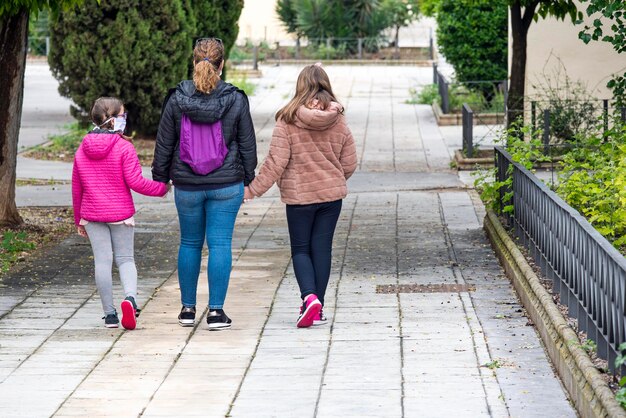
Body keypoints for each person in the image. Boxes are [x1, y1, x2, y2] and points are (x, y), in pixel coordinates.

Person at [152, 37, 257, 330]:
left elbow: (164, 143)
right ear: (222, 63)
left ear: (193, 61)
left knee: (189, 243)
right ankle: (215, 312)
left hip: (186, 184)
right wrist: (249, 180)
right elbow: (248, 145)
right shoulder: (235, 98)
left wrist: (160, 178)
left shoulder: (177, 98)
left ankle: (187, 309)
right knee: (220, 244)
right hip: (226, 184)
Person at [244, 64, 357, 328]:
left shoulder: (288, 120)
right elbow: (350, 162)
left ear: (300, 86)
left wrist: (252, 190)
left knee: (301, 249)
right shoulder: (338, 119)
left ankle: (309, 297)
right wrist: (333, 179)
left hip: (299, 199)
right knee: (322, 249)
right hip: (331, 198)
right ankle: (317, 308)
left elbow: (275, 162)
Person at [72, 97, 169, 330]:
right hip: (120, 213)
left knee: (102, 262)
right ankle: (130, 299)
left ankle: (110, 315)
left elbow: (77, 187)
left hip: (92, 214)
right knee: (125, 259)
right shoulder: (124, 147)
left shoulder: (82, 148)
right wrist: (162, 188)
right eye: (123, 114)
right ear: (115, 119)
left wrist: (79, 219)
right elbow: (135, 182)